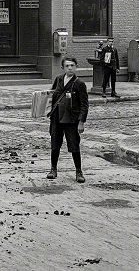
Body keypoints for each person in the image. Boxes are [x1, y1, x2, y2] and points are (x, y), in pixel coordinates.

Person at [48, 55, 89, 183]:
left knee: (74, 145)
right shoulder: (59, 79)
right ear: (62, 68)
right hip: (57, 118)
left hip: (71, 120)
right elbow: (52, 95)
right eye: (67, 66)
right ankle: (53, 169)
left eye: (72, 66)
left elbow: (84, 104)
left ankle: (79, 171)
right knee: (55, 144)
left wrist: (81, 122)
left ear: (76, 67)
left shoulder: (79, 84)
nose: (70, 68)